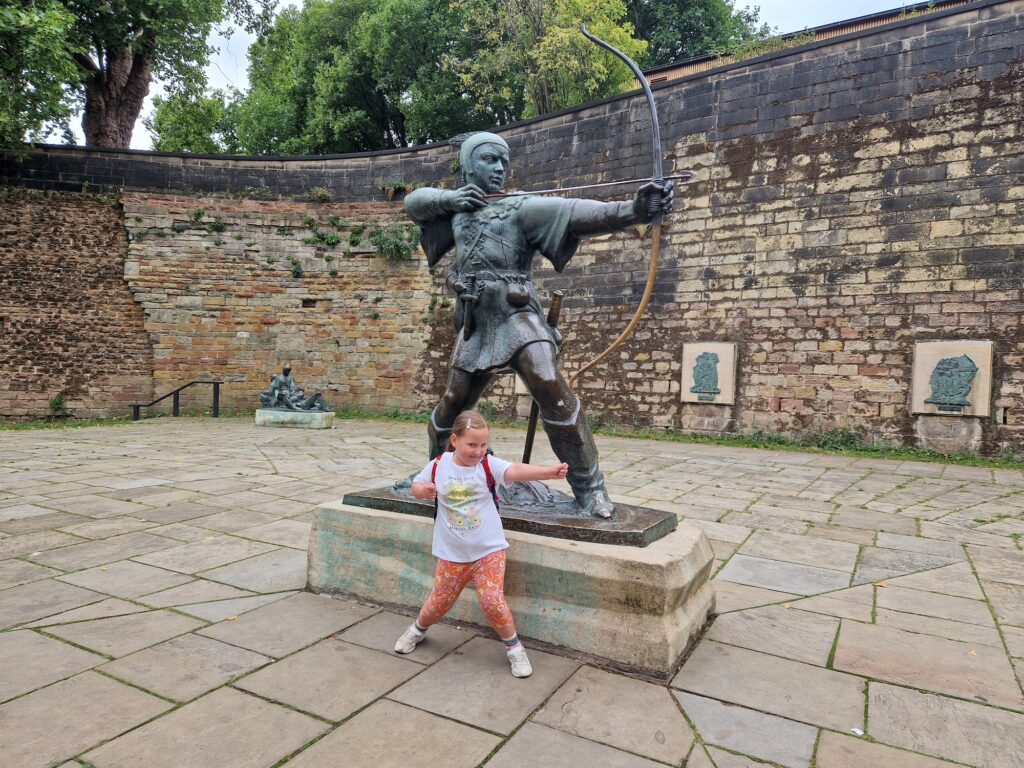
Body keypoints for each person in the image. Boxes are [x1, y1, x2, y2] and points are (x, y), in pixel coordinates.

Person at [404, 132, 672, 518]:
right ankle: (438, 473)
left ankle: (590, 487)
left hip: (518, 316)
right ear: (467, 165)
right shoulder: (455, 210)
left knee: (547, 382)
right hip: (477, 319)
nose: (499, 169)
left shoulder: (521, 208)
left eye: (504, 162)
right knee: (454, 402)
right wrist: (451, 200)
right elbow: (415, 203)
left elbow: (576, 212)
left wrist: (633, 210)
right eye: (489, 160)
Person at [394, 409, 568, 677]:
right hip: (452, 554)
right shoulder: (438, 465)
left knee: (492, 601)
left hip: (488, 551)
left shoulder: (488, 465)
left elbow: (515, 470)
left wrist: (548, 472)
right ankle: (417, 629)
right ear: (455, 441)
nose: (478, 451)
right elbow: (417, 485)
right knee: (439, 602)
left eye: (483, 445)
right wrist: (423, 492)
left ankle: (515, 649)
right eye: (472, 444)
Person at [257, 364, 326, 411]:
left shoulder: (290, 378)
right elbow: (274, 390)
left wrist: (298, 389)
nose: (287, 371)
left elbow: (293, 388)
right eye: (286, 369)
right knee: (283, 395)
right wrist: (276, 397)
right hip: (282, 395)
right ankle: (291, 405)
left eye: (288, 370)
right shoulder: (278, 378)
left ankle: (289, 402)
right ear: (283, 369)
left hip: (291, 395)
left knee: (301, 393)